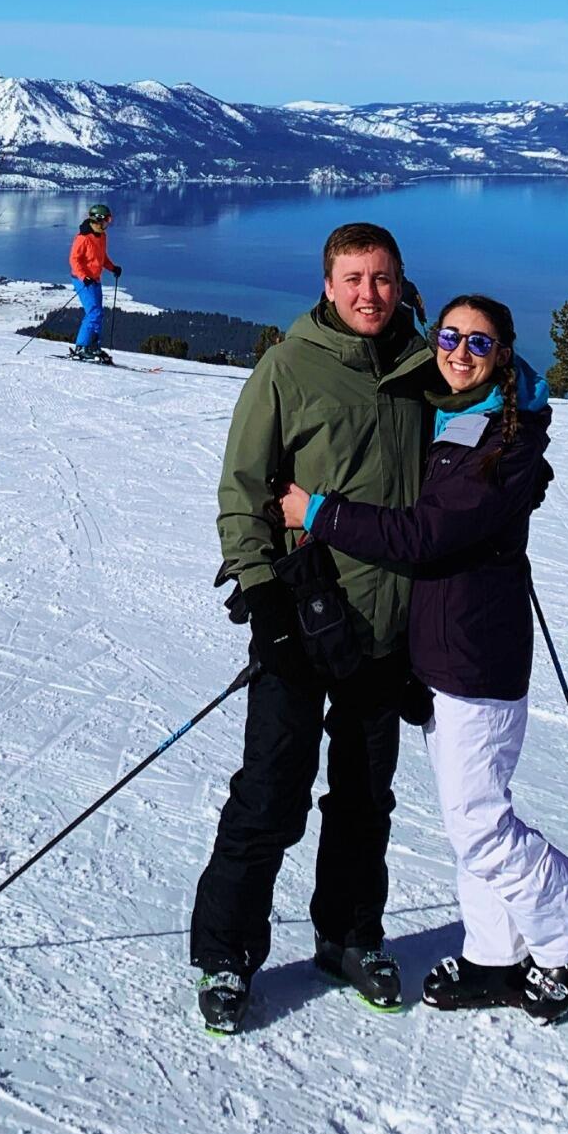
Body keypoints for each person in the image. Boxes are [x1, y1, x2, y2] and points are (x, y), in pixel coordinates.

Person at [279, 293, 568, 1025]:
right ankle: (493, 955)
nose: (458, 351)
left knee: (480, 823)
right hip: (442, 651)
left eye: (478, 342)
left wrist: (317, 513)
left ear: (502, 353)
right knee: (468, 814)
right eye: (449, 336)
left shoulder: (506, 440)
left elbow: (424, 537)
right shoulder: (446, 417)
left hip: (477, 655)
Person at [189, 223, 431, 1035]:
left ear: (401, 282)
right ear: (327, 286)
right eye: (353, 279)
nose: (369, 293)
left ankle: (348, 935)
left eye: (383, 278)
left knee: (365, 801)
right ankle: (226, 954)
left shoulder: (422, 369)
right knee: (269, 796)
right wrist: (261, 596)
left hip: (387, 628)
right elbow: (242, 487)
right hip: (305, 615)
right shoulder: (287, 368)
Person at [67, 203, 121, 364]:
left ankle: (93, 346)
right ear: (97, 220)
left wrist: (113, 268)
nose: (107, 225)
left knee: (98, 313)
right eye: (106, 221)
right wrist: (84, 277)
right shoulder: (82, 238)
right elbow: (74, 260)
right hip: (82, 280)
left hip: (95, 279)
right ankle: (82, 347)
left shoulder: (102, 236)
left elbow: (101, 257)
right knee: (93, 312)